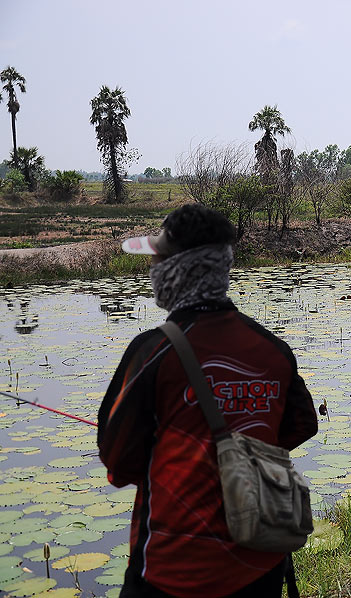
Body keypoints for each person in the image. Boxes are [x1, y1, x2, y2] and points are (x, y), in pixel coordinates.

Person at [98, 204, 318, 597]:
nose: (152, 272)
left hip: (173, 570)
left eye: (157, 261)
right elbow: (301, 425)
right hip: (260, 562)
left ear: (174, 271)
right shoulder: (272, 350)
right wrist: (241, 449)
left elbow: (118, 461)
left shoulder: (153, 353)